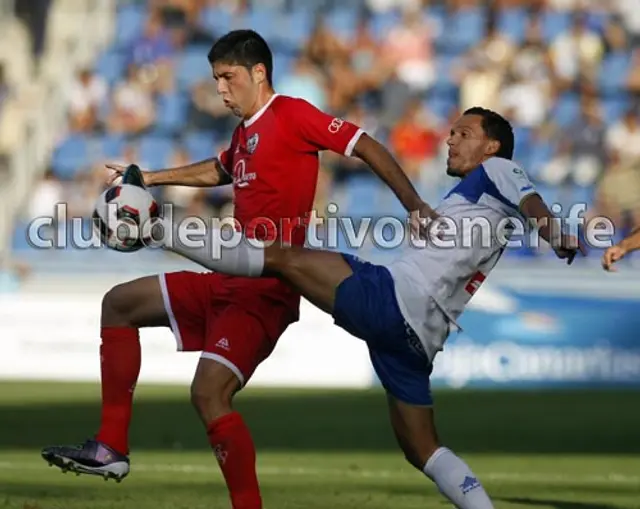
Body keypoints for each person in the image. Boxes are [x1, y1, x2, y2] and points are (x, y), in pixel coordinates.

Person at [41, 30, 432, 509]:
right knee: (119, 304)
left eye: (228, 78)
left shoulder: (291, 113)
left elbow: (365, 144)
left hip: (267, 289)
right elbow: (221, 169)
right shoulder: (245, 131)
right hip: (226, 276)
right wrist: (151, 177)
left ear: (259, 73)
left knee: (208, 394)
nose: (220, 90)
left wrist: (413, 204)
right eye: (215, 79)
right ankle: (109, 448)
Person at [161, 108, 584, 509]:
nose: (450, 140)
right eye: (451, 132)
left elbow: (533, 204)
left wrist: (554, 231)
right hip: (418, 340)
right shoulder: (479, 198)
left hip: (395, 299)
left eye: (464, 134)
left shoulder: (498, 169)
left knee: (283, 257)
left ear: (491, 147)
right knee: (422, 449)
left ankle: (155, 226)